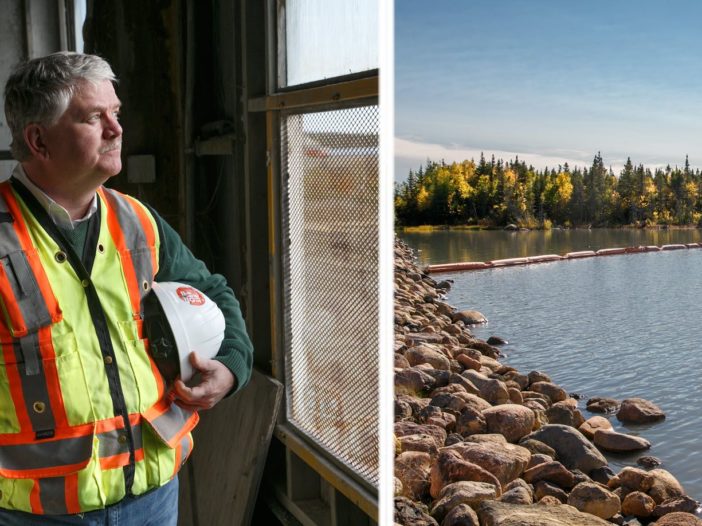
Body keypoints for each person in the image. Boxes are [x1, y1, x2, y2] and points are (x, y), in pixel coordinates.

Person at [0, 52, 254, 524]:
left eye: (115, 113)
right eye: (93, 117)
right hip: (36, 512)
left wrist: (231, 367)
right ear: (38, 139)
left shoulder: (136, 221)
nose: (116, 129)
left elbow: (214, 292)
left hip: (153, 497)